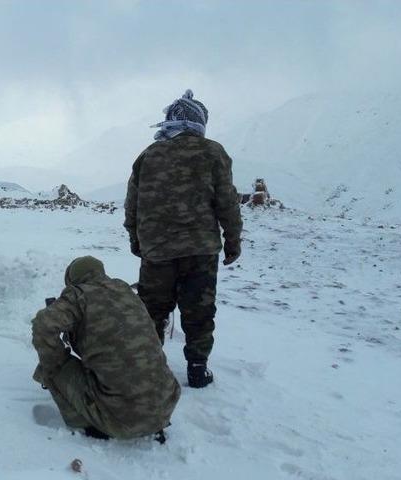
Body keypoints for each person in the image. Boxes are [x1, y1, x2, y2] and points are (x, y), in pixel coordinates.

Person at [124, 89, 243, 389]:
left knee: (152, 309)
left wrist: (136, 241)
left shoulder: (148, 156)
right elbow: (227, 202)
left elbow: (132, 204)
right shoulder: (213, 152)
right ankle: (197, 369)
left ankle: (148, 368)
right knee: (199, 311)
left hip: (157, 250)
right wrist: (232, 241)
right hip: (200, 250)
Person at [31, 256, 180, 441]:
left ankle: (88, 424)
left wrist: (55, 362)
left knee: (53, 367)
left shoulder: (77, 296)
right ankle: (148, 420)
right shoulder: (124, 290)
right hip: (166, 404)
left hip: (121, 420)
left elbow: (43, 326)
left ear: (72, 280)